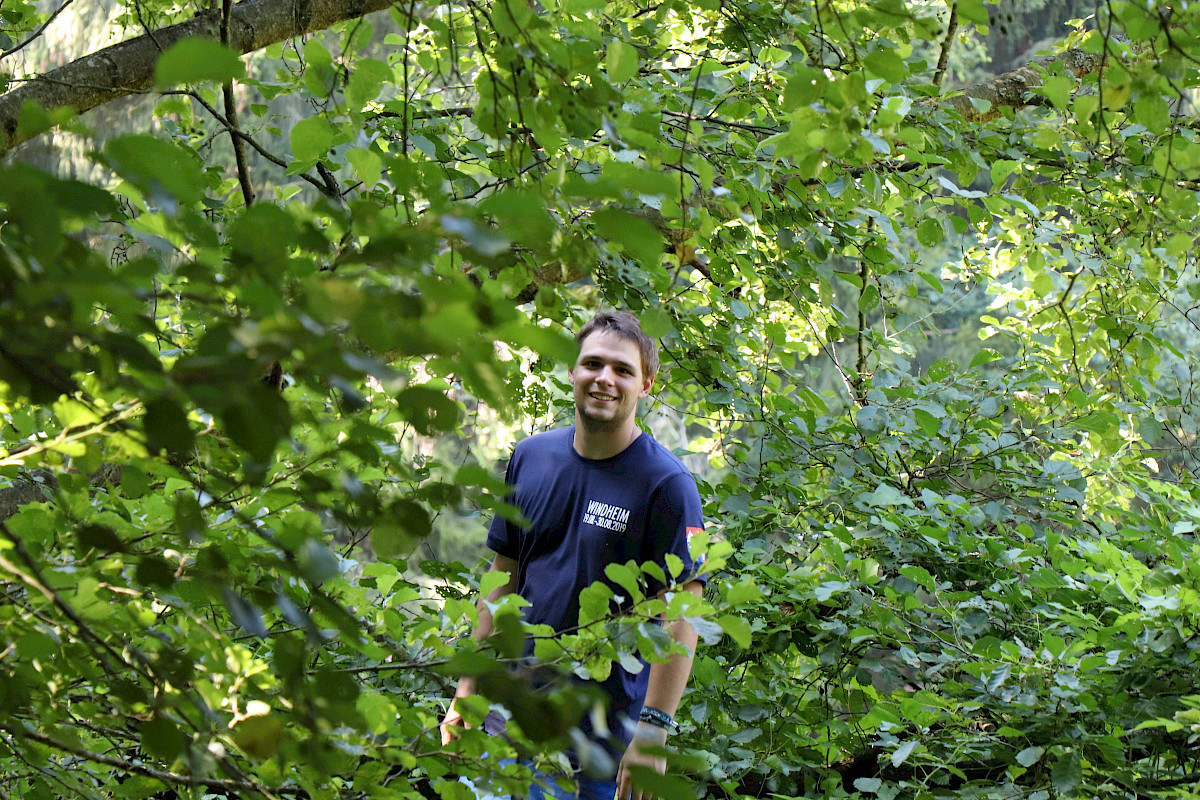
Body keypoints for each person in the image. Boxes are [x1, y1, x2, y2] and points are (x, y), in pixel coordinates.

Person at [440, 310, 706, 800]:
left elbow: (682, 615)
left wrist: (652, 732)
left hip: (594, 749)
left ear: (645, 384)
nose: (605, 379)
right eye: (593, 364)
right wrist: (467, 688)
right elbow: (503, 577)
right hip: (504, 724)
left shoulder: (667, 486)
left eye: (622, 370)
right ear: (572, 370)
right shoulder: (531, 456)